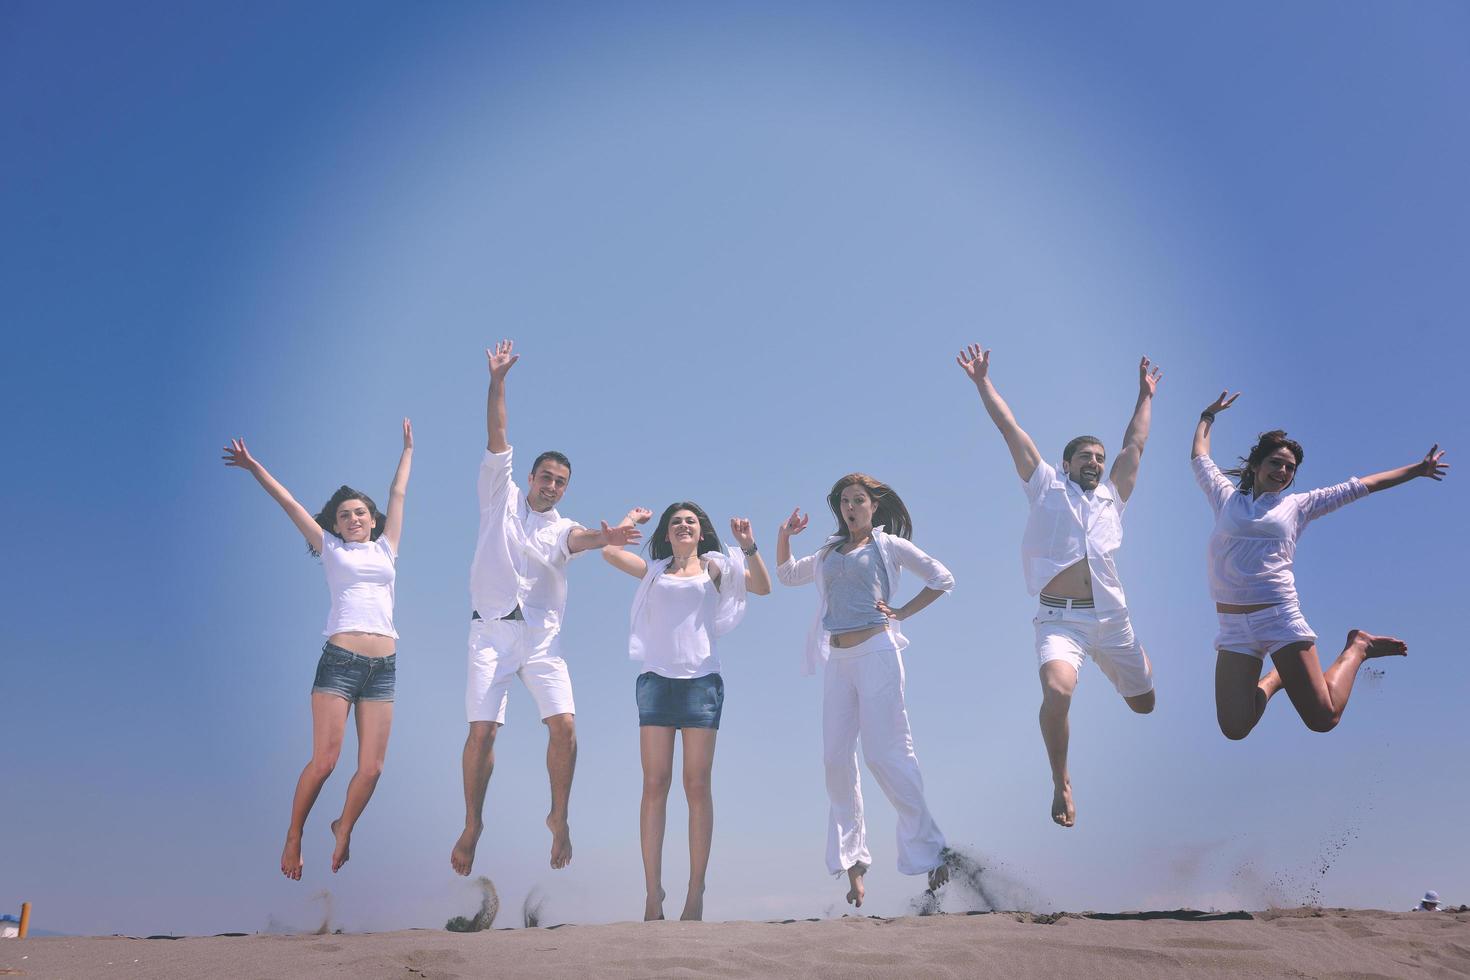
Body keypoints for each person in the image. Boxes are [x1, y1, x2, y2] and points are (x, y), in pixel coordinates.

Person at [451, 340, 642, 877]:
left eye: (561, 482)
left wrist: (607, 536)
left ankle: (558, 816)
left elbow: (579, 541)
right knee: (482, 732)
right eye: (546, 478)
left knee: (564, 727)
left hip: (540, 639)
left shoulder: (562, 526)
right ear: (531, 477)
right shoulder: (498, 494)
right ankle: (473, 824)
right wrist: (498, 381)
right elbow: (497, 433)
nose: (552, 487)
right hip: (488, 632)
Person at [958, 344, 1159, 829]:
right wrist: (982, 381)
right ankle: (1061, 782)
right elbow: (1010, 429)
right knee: (1057, 690)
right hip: (1059, 619)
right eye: (1085, 456)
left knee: (1145, 704)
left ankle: (1118, 663)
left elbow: (1134, 446)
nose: (1095, 461)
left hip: (1112, 621)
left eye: (1099, 457)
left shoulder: (1113, 497)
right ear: (1066, 463)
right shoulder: (1044, 484)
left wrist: (1144, 395)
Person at [1191, 391, 1448, 739]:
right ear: (1255, 466)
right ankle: (1275, 679)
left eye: (1289, 468)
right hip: (1233, 625)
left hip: (1278, 617)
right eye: (1275, 463)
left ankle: (1359, 645)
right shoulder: (1225, 498)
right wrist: (1208, 415)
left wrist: (1416, 470)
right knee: (1235, 727)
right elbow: (1200, 456)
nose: (1282, 472)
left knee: (1323, 718)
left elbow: (1364, 485)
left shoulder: (1298, 506)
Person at [222, 419, 413, 880]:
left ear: (372, 519)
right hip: (340, 663)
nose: (353, 519)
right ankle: (293, 835)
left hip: (383, 667)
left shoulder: (388, 549)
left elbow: (398, 493)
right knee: (326, 761)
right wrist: (253, 467)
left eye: (360, 513)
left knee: (371, 770)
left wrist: (407, 449)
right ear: (334, 523)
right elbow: (288, 502)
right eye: (344, 514)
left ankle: (342, 826)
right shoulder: (329, 548)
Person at [776, 474, 953, 909]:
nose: (851, 507)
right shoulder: (827, 553)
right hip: (838, 661)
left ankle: (931, 851)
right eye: (844, 501)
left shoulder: (888, 545)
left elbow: (941, 577)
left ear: (874, 506)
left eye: (859, 500)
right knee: (835, 758)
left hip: (877, 652)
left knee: (884, 753)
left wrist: (901, 612)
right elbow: (785, 574)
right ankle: (853, 864)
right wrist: (783, 535)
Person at [602, 503, 772, 921]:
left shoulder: (715, 569)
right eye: (676, 521)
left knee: (696, 787)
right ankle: (652, 893)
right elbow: (608, 552)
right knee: (654, 785)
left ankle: (695, 893)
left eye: (690, 522)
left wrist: (749, 547)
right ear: (668, 531)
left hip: (701, 684)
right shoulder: (654, 572)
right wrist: (629, 520)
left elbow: (764, 587)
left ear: (701, 533)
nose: (683, 525)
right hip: (656, 684)